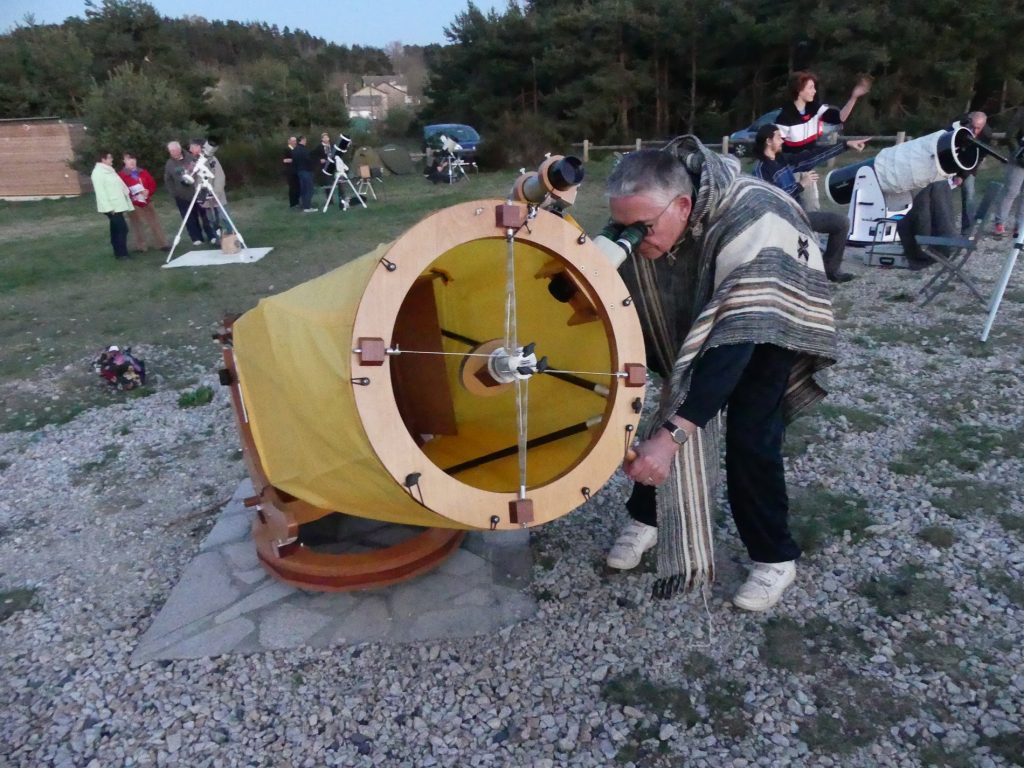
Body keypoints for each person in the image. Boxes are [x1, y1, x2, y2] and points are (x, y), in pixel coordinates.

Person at [603, 139, 837, 612]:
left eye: (640, 228)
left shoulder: (758, 221)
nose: (632, 239)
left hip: (773, 313)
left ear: (683, 205)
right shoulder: (660, 212)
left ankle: (775, 558)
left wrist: (670, 440)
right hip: (715, 294)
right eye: (620, 226)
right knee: (673, 403)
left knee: (751, 435)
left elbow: (732, 350)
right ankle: (647, 519)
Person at [752, 124, 869, 282]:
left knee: (841, 223)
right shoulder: (760, 169)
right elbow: (772, 199)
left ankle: (831, 270)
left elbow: (812, 157)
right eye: (779, 137)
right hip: (780, 219)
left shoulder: (783, 160)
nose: (782, 141)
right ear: (768, 141)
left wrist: (845, 145)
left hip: (798, 214)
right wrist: (801, 185)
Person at [776, 72, 871, 212]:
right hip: (789, 172)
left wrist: (853, 97)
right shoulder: (784, 117)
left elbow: (840, 118)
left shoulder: (815, 108)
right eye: (810, 87)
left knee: (812, 212)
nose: (814, 91)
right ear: (798, 89)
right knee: (788, 213)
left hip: (808, 170)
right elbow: (778, 151)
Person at [118, 152, 169, 252]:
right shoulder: (121, 175)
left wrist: (148, 191)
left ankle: (162, 244)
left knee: (154, 222)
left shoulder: (143, 172)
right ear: (124, 161)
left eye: (133, 159)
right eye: (128, 159)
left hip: (147, 201)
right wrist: (133, 195)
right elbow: (121, 189)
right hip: (133, 203)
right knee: (137, 224)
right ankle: (141, 246)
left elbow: (152, 184)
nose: (131, 161)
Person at [950, 112, 991, 233]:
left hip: (969, 164)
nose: (975, 130)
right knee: (941, 193)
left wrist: (962, 176)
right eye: (972, 127)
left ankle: (967, 230)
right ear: (968, 122)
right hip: (950, 157)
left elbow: (977, 159)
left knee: (969, 194)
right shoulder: (957, 124)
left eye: (978, 128)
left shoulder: (986, 135)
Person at [91, 150, 135, 260]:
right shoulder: (97, 173)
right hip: (112, 207)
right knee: (122, 229)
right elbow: (101, 193)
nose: (112, 159)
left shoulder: (109, 170)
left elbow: (119, 184)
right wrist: (110, 208)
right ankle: (122, 254)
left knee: (116, 229)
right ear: (103, 159)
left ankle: (118, 253)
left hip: (118, 205)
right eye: (109, 158)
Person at [164, 140, 205, 246]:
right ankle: (196, 238)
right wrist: (174, 193)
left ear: (179, 149)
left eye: (175, 150)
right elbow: (168, 180)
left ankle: (212, 235)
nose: (174, 152)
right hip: (182, 196)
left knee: (204, 215)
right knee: (189, 218)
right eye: (171, 151)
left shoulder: (191, 158)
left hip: (197, 192)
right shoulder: (169, 164)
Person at [993, 106, 1024, 238]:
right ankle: (999, 222)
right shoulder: (1022, 112)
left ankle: (1020, 225)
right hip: (1019, 158)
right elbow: (1010, 135)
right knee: (1011, 191)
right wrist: (1018, 153)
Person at [187, 139, 220, 245]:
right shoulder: (195, 160)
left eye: (192, 147)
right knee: (209, 219)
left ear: (198, 147)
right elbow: (191, 173)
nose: (190, 149)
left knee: (222, 217)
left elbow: (219, 177)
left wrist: (217, 193)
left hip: (215, 193)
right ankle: (217, 239)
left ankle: (231, 239)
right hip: (203, 191)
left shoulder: (211, 159)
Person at [293, 135, 316, 212]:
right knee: (309, 189)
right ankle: (307, 207)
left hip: (299, 172)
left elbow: (294, 162)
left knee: (303, 189)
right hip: (307, 171)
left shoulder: (294, 150)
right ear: (302, 140)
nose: (306, 142)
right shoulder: (304, 150)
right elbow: (309, 160)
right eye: (305, 140)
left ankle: (303, 205)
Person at [282, 135, 299, 209]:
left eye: (295, 141)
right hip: (290, 171)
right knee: (292, 187)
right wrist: (293, 160)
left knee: (297, 187)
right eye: (292, 141)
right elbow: (284, 160)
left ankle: (297, 202)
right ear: (289, 141)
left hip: (297, 171)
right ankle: (292, 204)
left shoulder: (297, 149)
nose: (294, 142)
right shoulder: (286, 149)